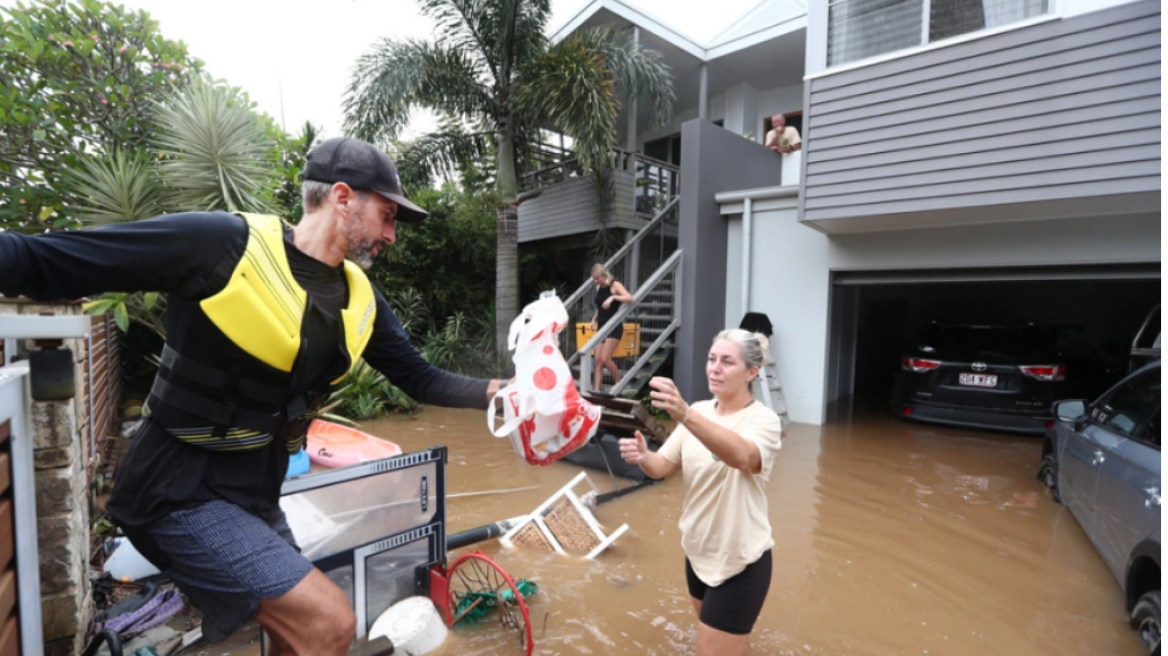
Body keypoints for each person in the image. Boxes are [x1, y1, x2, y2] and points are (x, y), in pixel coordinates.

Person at [0, 137, 507, 656]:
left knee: (292, 639)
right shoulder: (220, 246)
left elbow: (419, 378)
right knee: (329, 623)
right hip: (177, 490)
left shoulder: (360, 298)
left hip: (255, 496)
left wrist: (508, 393)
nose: (391, 235)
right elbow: (52, 257)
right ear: (342, 197)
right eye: (386, 215)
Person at [619, 329, 783, 656]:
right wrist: (643, 456)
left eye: (726, 362)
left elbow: (742, 457)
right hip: (697, 551)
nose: (714, 368)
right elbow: (663, 465)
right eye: (711, 359)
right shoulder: (699, 411)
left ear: (751, 372)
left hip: (741, 560)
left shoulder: (763, 420)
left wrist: (685, 414)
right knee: (723, 643)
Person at [588, 263, 633, 392]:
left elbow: (630, 298)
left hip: (614, 325)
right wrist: (593, 319)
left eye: (598, 278)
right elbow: (600, 307)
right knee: (597, 361)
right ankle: (596, 391)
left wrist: (613, 297)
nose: (596, 281)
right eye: (594, 279)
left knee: (605, 358)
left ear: (604, 275)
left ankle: (619, 381)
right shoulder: (599, 287)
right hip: (601, 326)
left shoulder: (615, 285)